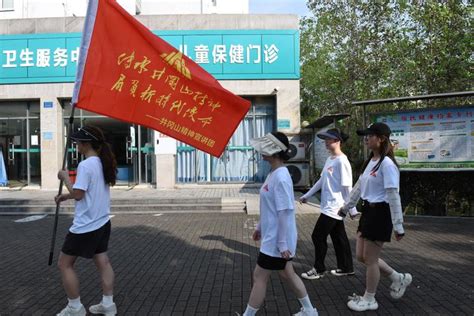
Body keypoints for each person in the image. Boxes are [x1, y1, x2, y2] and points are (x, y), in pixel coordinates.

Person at [338, 122, 412, 312]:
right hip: (368, 213)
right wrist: (346, 208)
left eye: (370, 135)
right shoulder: (371, 161)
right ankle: (398, 277)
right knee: (361, 256)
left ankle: (370, 298)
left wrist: (399, 225)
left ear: (381, 139)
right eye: (366, 135)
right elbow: (358, 188)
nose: (366, 138)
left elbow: (393, 196)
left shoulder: (387, 165)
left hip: (381, 214)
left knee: (371, 259)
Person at [243, 132, 318, 316]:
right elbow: (270, 207)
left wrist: (282, 243)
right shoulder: (274, 173)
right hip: (274, 237)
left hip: (277, 240)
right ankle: (309, 311)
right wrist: (260, 227)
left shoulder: (281, 177)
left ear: (275, 151)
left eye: (266, 147)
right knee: (287, 274)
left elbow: (285, 211)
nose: (261, 151)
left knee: (259, 276)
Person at [55, 126, 118, 316]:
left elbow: (79, 194)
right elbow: (86, 192)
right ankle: (108, 304)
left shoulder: (85, 165)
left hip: (85, 226)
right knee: (103, 262)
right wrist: (65, 197)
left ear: (86, 144)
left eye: (77, 142)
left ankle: (75, 307)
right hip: (102, 221)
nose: (76, 145)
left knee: (64, 264)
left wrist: (65, 177)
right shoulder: (102, 162)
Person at [299, 128, 358, 280]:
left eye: (328, 139)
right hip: (328, 205)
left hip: (336, 207)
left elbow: (347, 187)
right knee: (339, 237)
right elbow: (321, 181)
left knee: (317, 236)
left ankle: (319, 269)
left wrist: (351, 210)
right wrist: (307, 195)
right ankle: (346, 267)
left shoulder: (342, 161)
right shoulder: (330, 159)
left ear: (337, 141)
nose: (325, 142)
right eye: (324, 139)